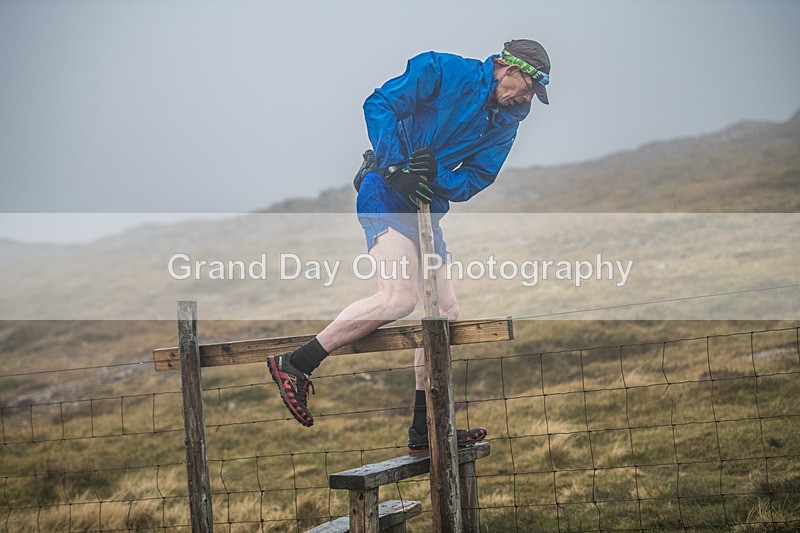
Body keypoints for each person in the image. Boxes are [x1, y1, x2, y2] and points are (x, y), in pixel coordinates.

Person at [267, 39, 551, 454]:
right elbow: (378, 104)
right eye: (527, 87)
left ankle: (426, 430)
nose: (526, 98)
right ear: (506, 69)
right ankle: (295, 364)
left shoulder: (507, 121)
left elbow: (475, 178)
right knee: (398, 298)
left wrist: (435, 177)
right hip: (384, 189)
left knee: (446, 313)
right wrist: (396, 164)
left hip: (424, 206)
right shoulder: (442, 70)